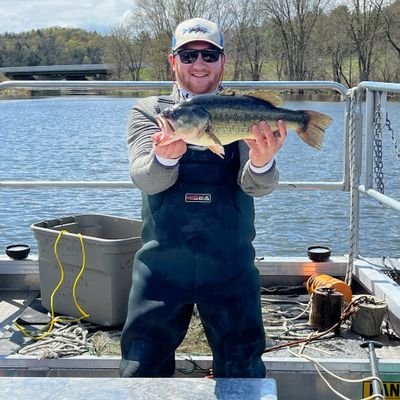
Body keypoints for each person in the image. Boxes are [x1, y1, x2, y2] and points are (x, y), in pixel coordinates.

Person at [120, 17, 287, 378]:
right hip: (161, 266)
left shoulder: (242, 111)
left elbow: (257, 187)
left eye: (209, 55)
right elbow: (145, 180)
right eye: (189, 54)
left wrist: (262, 161)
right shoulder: (150, 113)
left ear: (223, 62)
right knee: (140, 366)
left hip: (230, 264)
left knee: (243, 367)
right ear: (173, 61)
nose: (199, 63)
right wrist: (166, 156)